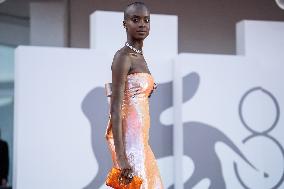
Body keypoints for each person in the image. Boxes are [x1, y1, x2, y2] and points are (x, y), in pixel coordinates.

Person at [105, 2, 164, 188]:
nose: (142, 24)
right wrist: (121, 158)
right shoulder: (123, 56)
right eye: (135, 19)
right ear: (125, 24)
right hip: (132, 145)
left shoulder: (139, 56)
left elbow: (133, 96)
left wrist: (148, 90)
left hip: (142, 141)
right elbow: (115, 108)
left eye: (146, 20)